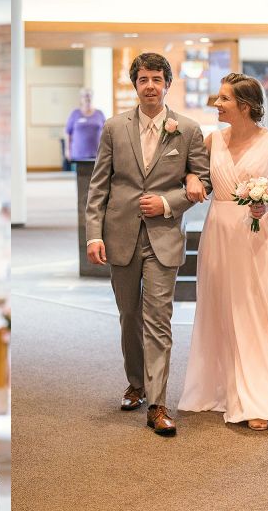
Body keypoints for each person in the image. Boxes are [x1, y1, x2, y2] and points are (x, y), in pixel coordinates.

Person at [85, 53, 210, 436]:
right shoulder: (112, 127)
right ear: (135, 85)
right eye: (144, 79)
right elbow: (99, 185)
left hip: (164, 237)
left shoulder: (187, 130)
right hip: (120, 234)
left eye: (157, 78)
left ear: (168, 84)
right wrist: (93, 233)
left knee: (158, 319)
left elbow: (201, 183)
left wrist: (169, 202)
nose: (151, 85)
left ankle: (157, 404)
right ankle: (136, 384)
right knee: (129, 316)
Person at [177, 73, 268, 430]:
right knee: (220, 307)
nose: (216, 104)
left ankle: (259, 398)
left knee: (255, 311)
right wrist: (191, 178)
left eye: (223, 99)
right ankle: (223, 386)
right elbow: (196, 177)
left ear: (245, 106)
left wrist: (267, 204)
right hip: (219, 233)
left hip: (258, 236)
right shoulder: (212, 141)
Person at [65, 88, 106, 162]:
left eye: (89, 95)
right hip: (78, 155)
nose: (87, 98)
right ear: (81, 98)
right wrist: (68, 150)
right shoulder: (75, 113)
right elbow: (68, 133)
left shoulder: (100, 114)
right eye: (85, 96)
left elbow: (106, 133)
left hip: (97, 155)